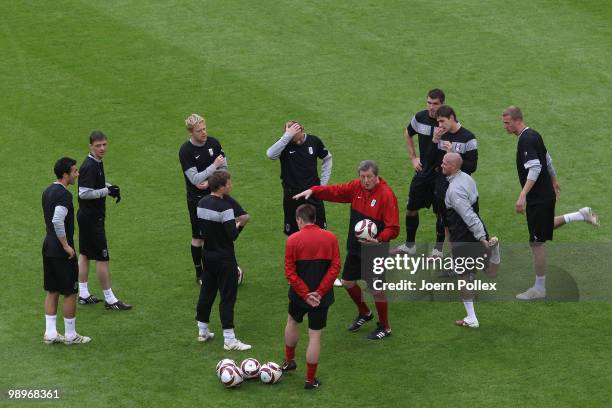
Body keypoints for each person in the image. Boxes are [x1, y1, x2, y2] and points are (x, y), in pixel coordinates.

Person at [293, 160, 399, 340]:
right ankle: (365, 313)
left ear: (376, 177)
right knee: (348, 282)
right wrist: (315, 191)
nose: (366, 181)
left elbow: (394, 228)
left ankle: (385, 326)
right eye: (363, 177)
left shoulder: (386, 195)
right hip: (355, 247)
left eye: (369, 177)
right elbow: (337, 191)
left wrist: (378, 239)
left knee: (376, 289)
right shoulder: (356, 187)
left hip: (375, 249)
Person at [502, 106, 599, 300]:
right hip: (544, 195)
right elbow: (548, 159)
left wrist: (522, 195)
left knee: (536, 242)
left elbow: (536, 168)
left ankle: (539, 288)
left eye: (507, 122)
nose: (504, 126)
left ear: (517, 120)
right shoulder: (533, 134)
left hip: (539, 198)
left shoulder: (526, 140)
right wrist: (554, 181)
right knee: (544, 227)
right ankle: (581, 214)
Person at [179, 114, 249, 285]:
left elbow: (224, 168)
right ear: (191, 132)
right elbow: (195, 180)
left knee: (243, 218)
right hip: (198, 200)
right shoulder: (185, 151)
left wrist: (210, 180)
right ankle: (200, 273)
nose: (203, 133)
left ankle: (225, 254)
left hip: (219, 193)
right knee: (199, 238)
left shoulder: (214, 143)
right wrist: (214, 166)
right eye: (199, 130)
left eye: (204, 128)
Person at [281, 204, 340, 389]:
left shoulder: (292, 240)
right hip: (321, 298)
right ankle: (309, 379)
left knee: (292, 321)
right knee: (314, 337)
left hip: (299, 296)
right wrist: (319, 292)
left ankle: (289, 361)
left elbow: (290, 272)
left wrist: (305, 294)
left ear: (300, 219)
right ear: (314, 218)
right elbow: (335, 268)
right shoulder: (330, 238)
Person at [441, 153, 500, 328]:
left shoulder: (454, 190)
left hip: (464, 236)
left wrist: (481, 237)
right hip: (476, 229)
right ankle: (495, 251)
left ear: (453, 166)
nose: (441, 164)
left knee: (463, 277)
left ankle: (472, 318)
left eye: (445, 163)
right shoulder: (467, 178)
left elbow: (467, 215)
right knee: (490, 273)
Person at [195, 171, 251, 351]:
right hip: (224, 257)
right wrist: (240, 224)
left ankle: (202, 331)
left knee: (207, 291)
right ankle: (229, 339)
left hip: (208, 254)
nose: (231, 185)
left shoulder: (201, 203)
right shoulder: (225, 208)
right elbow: (232, 235)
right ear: (221, 187)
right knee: (227, 296)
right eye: (228, 183)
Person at [77, 131, 131, 310]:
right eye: (98, 145)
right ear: (90, 146)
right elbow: (83, 193)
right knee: (102, 258)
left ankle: (83, 293)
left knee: (85, 254)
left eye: (104, 145)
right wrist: (106, 192)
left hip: (87, 217)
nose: (102, 148)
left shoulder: (96, 162)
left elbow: (95, 184)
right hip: (92, 219)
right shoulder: (89, 166)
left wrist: (109, 186)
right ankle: (110, 299)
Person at [42, 157, 91, 344]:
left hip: (47, 245)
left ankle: (51, 333)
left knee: (52, 290)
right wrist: (66, 246)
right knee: (70, 292)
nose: (77, 174)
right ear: (65, 175)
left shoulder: (47, 191)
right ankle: (70, 335)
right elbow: (57, 220)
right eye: (74, 171)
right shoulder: (64, 195)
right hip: (60, 249)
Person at [396, 89, 447, 257]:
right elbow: (408, 132)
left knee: (440, 212)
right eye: (429, 103)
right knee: (411, 208)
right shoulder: (420, 117)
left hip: (440, 173)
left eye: (435, 104)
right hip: (423, 171)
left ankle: (438, 250)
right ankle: (410, 245)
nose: (431, 107)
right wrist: (413, 158)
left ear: (442, 104)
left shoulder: (447, 122)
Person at [266, 120, 332, 235]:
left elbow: (327, 158)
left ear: (302, 129)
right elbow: (271, 155)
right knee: (294, 234)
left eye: (295, 134)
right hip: (292, 195)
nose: (296, 139)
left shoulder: (314, 141)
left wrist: (323, 184)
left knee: (320, 231)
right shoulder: (284, 143)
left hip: (313, 193)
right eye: (290, 134)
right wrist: (287, 136)